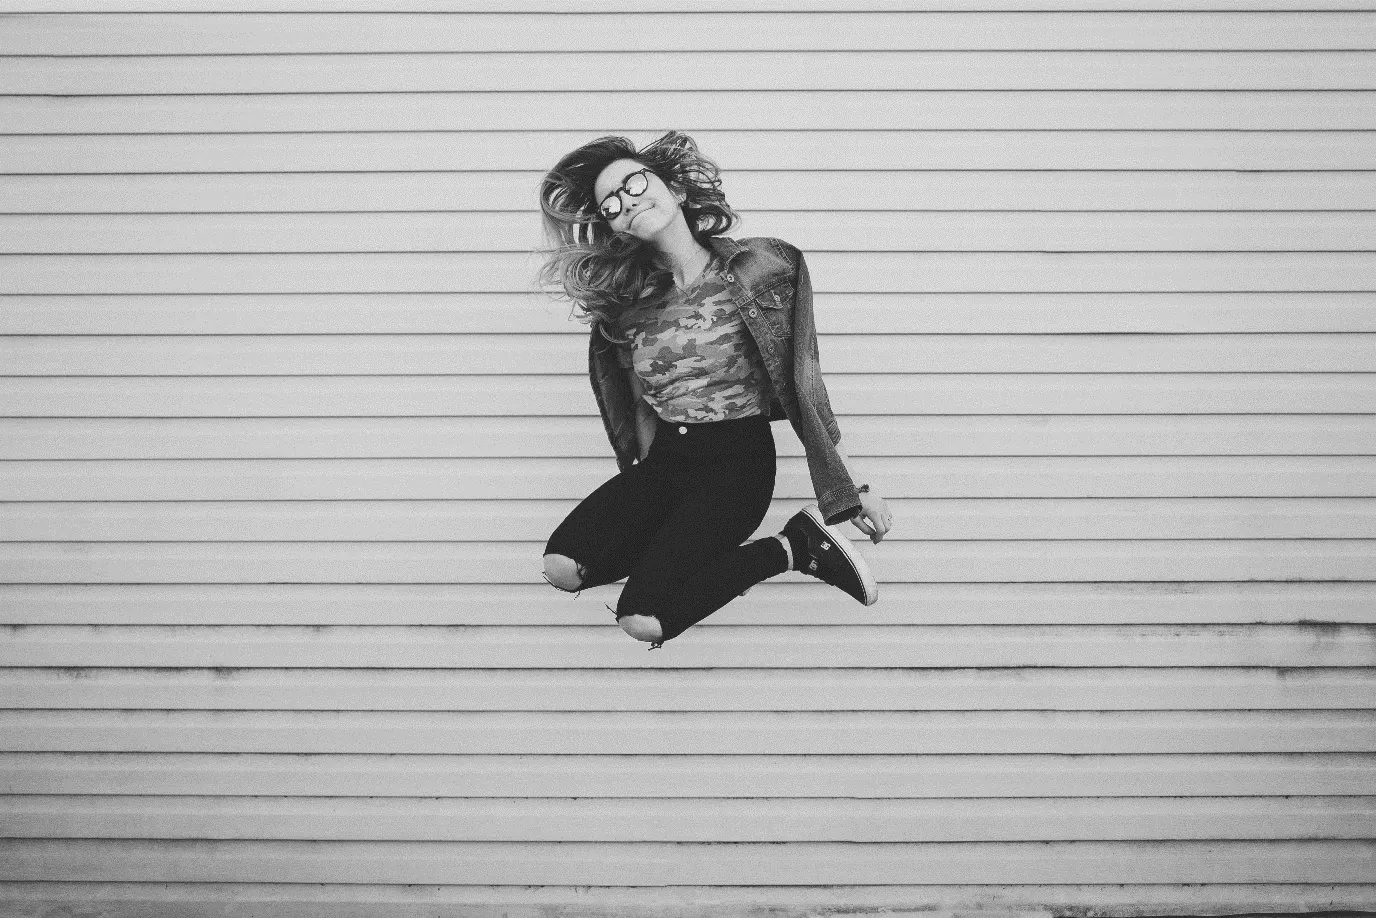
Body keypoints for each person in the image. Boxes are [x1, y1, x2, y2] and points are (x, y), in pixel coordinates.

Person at [536, 131, 893, 650]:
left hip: (736, 466)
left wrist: (849, 488)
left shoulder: (764, 268)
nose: (626, 202)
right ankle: (692, 557)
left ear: (676, 189)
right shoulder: (625, 306)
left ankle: (792, 548)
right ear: (615, 227)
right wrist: (642, 491)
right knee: (563, 566)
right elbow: (636, 408)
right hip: (666, 462)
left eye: (634, 184)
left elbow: (805, 385)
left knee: (643, 620)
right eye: (610, 205)